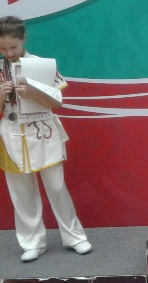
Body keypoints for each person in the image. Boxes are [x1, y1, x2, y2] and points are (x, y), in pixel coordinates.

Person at [0, 16, 92, 262]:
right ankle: (32, 242)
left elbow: (57, 102)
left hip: (43, 131)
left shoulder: (42, 65)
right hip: (10, 134)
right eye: (3, 48)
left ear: (23, 39)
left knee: (57, 186)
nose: (9, 52)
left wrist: (34, 92)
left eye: (13, 46)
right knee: (21, 193)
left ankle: (75, 237)